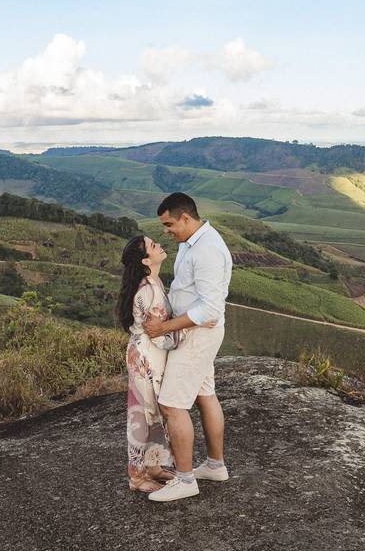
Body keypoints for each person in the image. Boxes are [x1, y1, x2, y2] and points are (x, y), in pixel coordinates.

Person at [143, 192, 233, 502]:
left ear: (185, 217)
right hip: (194, 331)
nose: (166, 231)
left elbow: (209, 308)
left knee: (172, 404)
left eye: (169, 224)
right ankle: (215, 466)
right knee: (205, 395)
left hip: (195, 336)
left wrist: (163, 327)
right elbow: (196, 295)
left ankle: (184, 480)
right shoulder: (191, 243)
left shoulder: (206, 250)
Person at [116, 234, 186, 492]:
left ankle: (154, 467)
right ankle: (137, 476)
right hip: (147, 357)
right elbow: (159, 335)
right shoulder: (149, 289)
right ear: (146, 259)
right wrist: (188, 331)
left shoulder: (151, 282)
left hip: (145, 355)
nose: (159, 245)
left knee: (152, 414)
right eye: (153, 245)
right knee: (143, 417)